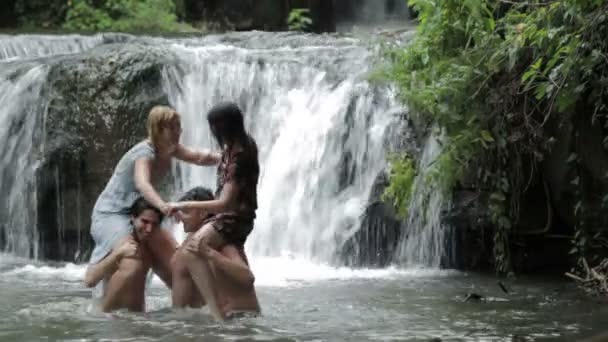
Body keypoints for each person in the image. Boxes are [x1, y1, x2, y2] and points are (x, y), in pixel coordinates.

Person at [87, 105, 220, 292]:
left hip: (139, 211)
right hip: (112, 213)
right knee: (133, 254)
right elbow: (143, 184)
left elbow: (199, 157)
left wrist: (227, 159)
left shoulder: (169, 148)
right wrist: (162, 206)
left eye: (179, 127)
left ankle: (187, 301)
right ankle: (104, 302)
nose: (178, 132)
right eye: (172, 127)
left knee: (168, 256)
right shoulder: (144, 153)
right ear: (158, 129)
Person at [168, 102, 260, 320]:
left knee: (192, 249)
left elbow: (225, 203)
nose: (212, 132)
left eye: (214, 127)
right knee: (189, 250)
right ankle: (208, 308)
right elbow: (204, 157)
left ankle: (216, 313)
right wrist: (175, 150)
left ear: (224, 126)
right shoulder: (235, 148)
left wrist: (183, 205)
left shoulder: (240, 158)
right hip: (229, 217)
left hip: (233, 218)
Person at [171, 186, 261, 319]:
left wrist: (209, 253)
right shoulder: (193, 241)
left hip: (242, 321)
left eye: (185, 212)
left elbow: (248, 277)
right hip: (226, 322)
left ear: (202, 213)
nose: (180, 217)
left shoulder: (222, 240)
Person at [84, 197, 162, 312]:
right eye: (144, 221)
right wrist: (118, 253)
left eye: (154, 224)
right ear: (133, 218)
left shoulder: (152, 245)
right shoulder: (119, 241)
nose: (149, 229)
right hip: (109, 319)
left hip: (136, 319)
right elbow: (89, 280)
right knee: (131, 264)